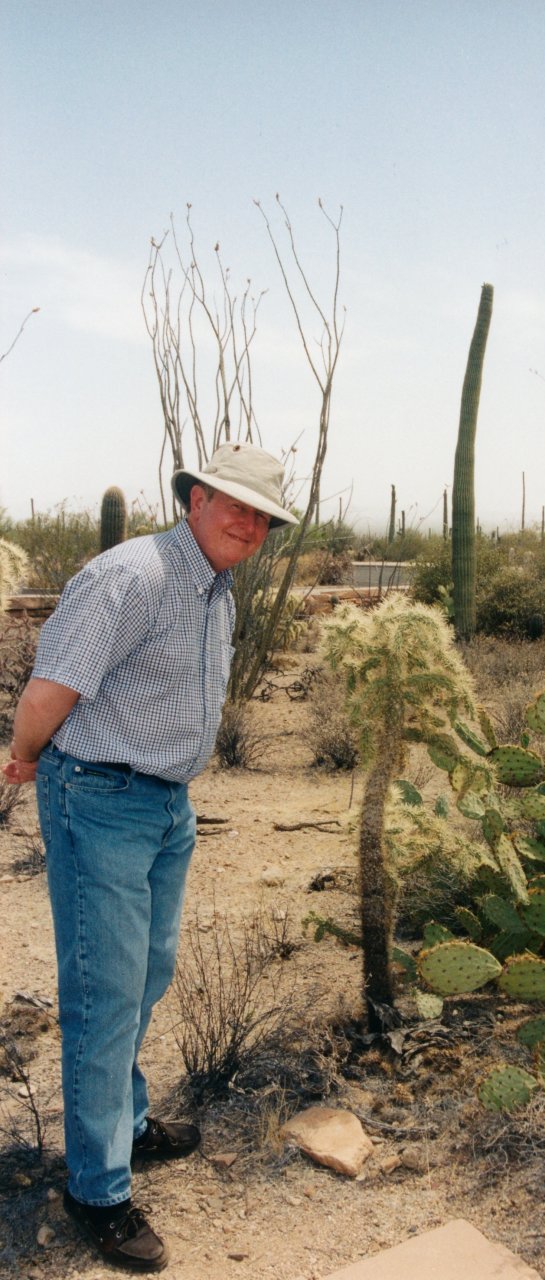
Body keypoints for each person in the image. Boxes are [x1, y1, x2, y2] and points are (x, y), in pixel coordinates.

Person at [3, 443, 297, 1272]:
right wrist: (25, 759)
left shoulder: (217, 589)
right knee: (103, 994)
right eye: (234, 505)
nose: (249, 524)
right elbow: (49, 690)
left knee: (145, 975)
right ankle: (96, 1189)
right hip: (97, 798)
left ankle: (124, 1123)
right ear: (195, 498)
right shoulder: (129, 577)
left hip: (165, 805)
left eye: (262, 516)